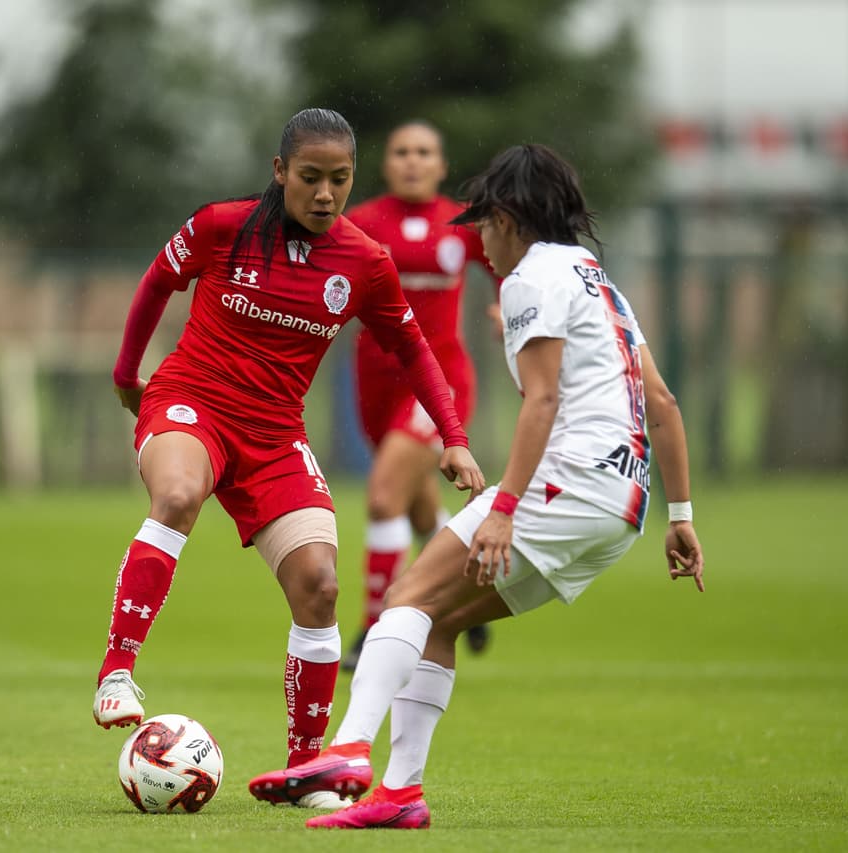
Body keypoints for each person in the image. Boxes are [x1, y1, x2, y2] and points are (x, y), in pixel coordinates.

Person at [247, 143, 706, 828]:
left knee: (405, 595)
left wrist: (505, 510)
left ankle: (345, 749)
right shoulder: (595, 278)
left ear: (510, 219)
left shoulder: (529, 279)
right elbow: (662, 401)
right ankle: (400, 794)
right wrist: (682, 514)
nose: (480, 240)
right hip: (623, 507)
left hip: (565, 486)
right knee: (439, 618)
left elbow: (543, 402)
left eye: (484, 223)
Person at [91, 107, 486, 811]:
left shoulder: (363, 261)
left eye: (340, 179)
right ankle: (117, 672)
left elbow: (413, 349)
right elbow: (157, 282)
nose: (326, 194)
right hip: (192, 400)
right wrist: (129, 376)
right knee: (177, 495)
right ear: (280, 173)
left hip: (275, 433)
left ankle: (306, 765)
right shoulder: (224, 225)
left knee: (319, 585)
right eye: (311, 178)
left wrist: (453, 434)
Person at [342, 120, 497, 668]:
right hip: (375, 383)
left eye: (424, 152)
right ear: (387, 163)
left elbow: (508, 264)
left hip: (440, 382)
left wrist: (509, 304)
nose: (413, 160)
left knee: (384, 495)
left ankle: (373, 626)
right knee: (418, 506)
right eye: (402, 151)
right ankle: (470, 599)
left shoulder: (462, 225)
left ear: (441, 165)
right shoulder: (360, 223)